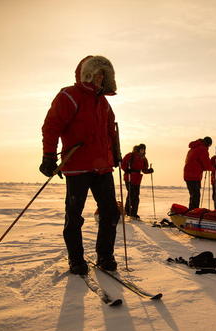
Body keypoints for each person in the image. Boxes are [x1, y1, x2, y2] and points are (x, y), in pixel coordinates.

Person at [40, 55, 121, 275]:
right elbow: (51, 126)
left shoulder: (104, 102)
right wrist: (49, 155)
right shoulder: (69, 95)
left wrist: (115, 153)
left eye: (104, 74)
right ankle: (76, 259)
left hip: (103, 167)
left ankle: (105, 256)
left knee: (111, 213)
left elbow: (110, 131)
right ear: (87, 74)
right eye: (97, 73)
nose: (100, 77)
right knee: (74, 215)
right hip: (77, 166)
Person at [121, 144, 154, 219]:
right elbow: (123, 164)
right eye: (141, 149)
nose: (142, 150)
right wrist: (127, 170)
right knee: (131, 194)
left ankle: (133, 213)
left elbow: (144, 170)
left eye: (144, 149)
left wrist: (149, 171)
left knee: (136, 195)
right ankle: (128, 211)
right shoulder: (131, 155)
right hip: (129, 177)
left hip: (137, 179)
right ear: (138, 149)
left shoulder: (144, 159)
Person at [183, 137, 213, 209]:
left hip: (188, 174)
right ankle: (193, 212)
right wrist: (213, 168)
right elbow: (207, 164)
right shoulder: (202, 149)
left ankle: (191, 211)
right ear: (208, 144)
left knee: (193, 195)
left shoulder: (194, 147)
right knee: (196, 195)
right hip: (194, 175)